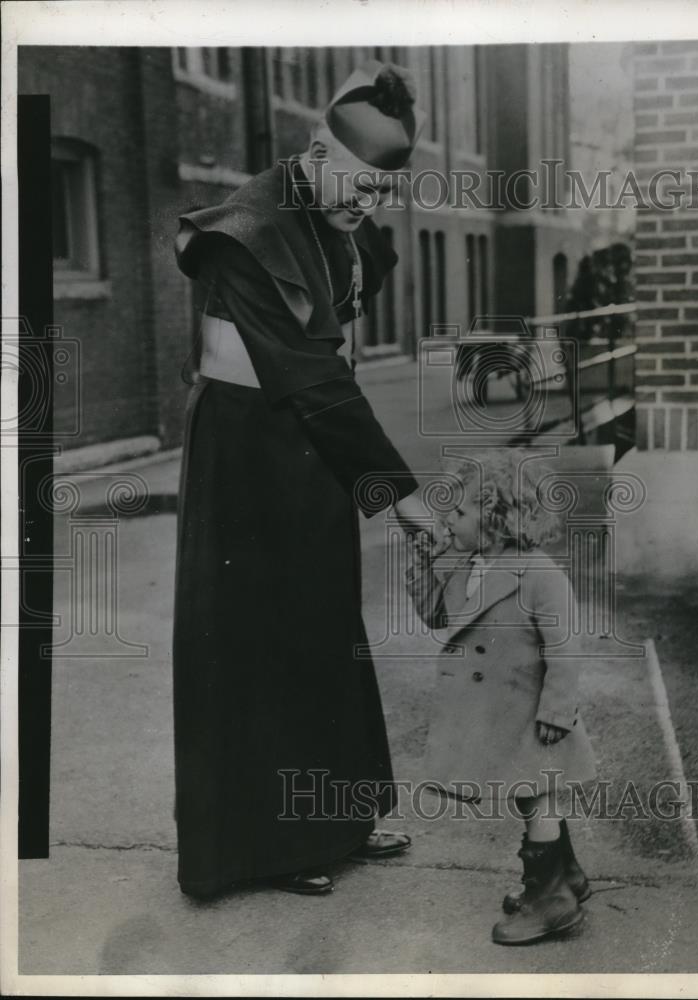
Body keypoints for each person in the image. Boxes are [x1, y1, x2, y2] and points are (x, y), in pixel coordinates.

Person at [172, 59, 430, 899]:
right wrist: (406, 498)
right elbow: (315, 376)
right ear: (317, 151)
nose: (363, 207)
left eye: (376, 195)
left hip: (310, 446)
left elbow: (362, 275)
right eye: (354, 187)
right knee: (257, 639)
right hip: (246, 452)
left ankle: (341, 818)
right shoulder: (245, 229)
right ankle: (267, 849)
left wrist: (354, 241)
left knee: (322, 625)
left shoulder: (332, 208)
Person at [405, 448, 596, 944]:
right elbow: (439, 618)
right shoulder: (468, 565)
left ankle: (550, 898)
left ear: (496, 519)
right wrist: (425, 567)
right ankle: (565, 874)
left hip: (535, 714)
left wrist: (557, 708)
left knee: (539, 797)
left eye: (459, 511)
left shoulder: (538, 574)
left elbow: (564, 646)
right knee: (533, 795)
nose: (448, 518)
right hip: (501, 715)